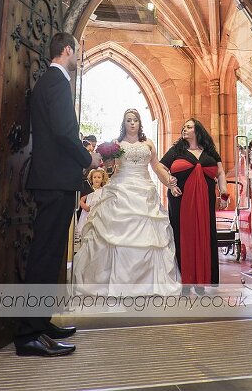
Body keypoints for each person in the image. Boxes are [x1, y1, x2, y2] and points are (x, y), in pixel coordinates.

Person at [14, 32, 101, 357]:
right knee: (45, 256)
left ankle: (41, 323)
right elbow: (65, 132)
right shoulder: (57, 81)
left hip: (53, 180)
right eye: (77, 50)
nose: (78, 56)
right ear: (67, 50)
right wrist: (87, 158)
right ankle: (28, 335)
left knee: (49, 257)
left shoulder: (50, 81)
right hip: (55, 182)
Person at [73, 109, 181, 295]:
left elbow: (156, 167)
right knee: (113, 235)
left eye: (135, 120)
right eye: (129, 120)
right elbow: (109, 168)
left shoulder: (148, 143)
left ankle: (149, 283)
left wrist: (169, 182)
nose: (132, 123)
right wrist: (106, 160)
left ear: (140, 123)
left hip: (144, 191)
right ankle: (109, 280)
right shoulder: (116, 143)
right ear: (124, 123)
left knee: (150, 237)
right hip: (120, 189)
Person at [160, 118, 228, 290]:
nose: (184, 129)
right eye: (183, 127)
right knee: (182, 236)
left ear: (198, 131)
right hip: (180, 199)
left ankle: (201, 282)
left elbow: (220, 173)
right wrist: (170, 182)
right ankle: (184, 281)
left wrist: (224, 192)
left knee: (204, 234)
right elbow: (160, 167)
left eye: (188, 127)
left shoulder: (210, 151)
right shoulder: (177, 150)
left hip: (205, 199)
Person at [75, 168, 109, 245]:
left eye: (99, 177)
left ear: (102, 179)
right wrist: (85, 207)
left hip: (98, 214)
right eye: (94, 177)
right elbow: (80, 200)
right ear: (91, 178)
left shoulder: (103, 190)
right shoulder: (89, 190)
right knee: (85, 232)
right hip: (87, 214)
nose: (96, 179)